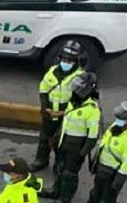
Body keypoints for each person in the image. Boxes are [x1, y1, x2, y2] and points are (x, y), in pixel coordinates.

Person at [41, 72, 101, 203]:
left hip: (76, 148)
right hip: (64, 143)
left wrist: (82, 153)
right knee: (61, 168)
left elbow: (92, 136)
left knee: (69, 174)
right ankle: (56, 190)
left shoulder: (92, 110)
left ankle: (64, 200)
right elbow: (66, 122)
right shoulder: (73, 103)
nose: (75, 92)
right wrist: (55, 139)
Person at [32, 39, 86, 173]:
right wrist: (45, 107)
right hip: (49, 112)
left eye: (70, 60)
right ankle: (41, 161)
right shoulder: (52, 71)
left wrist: (64, 113)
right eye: (64, 59)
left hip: (66, 116)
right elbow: (44, 88)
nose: (66, 63)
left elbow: (80, 100)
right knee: (44, 137)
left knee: (60, 142)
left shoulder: (80, 77)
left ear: (76, 61)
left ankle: (59, 164)